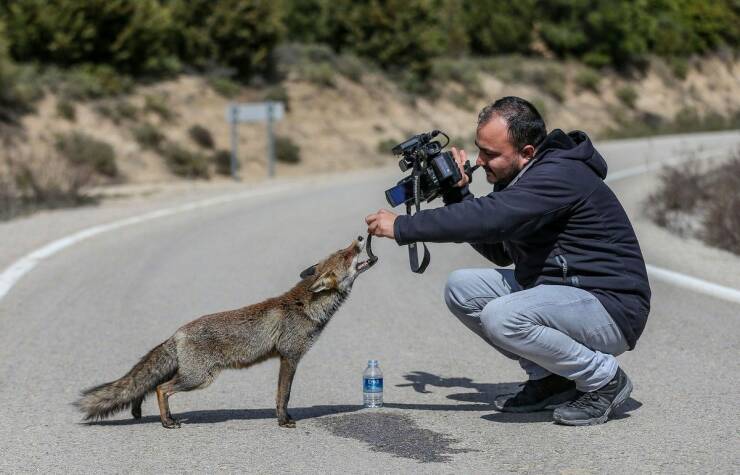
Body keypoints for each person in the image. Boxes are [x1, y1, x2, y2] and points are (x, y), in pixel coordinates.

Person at [365, 96, 651, 426]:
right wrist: (457, 194)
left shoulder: (558, 174)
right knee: (461, 288)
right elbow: (501, 248)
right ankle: (551, 379)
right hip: (563, 293)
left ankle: (603, 380)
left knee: (502, 316)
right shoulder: (522, 179)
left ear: (527, 152)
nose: (480, 161)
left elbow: (490, 218)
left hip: (610, 306)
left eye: (491, 154)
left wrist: (403, 227)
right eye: (479, 150)